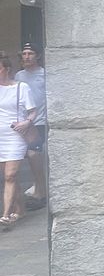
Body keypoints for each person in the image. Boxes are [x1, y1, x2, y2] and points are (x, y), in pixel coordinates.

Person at [0, 51, 38, 229]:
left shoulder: (21, 87)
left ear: (7, 69)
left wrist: (27, 122)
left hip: (15, 135)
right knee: (8, 177)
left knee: (10, 175)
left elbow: (33, 111)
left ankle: (5, 215)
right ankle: (20, 209)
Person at [16, 43, 47, 209]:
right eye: (24, 53)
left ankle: (40, 192)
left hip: (40, 121)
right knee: (28, 157)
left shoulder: (44, 74)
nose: (27, 57)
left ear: (38, 56)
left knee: (34, 154)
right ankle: (37, 188)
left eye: (30, 53)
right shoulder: (19, 75)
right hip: (23, 122)